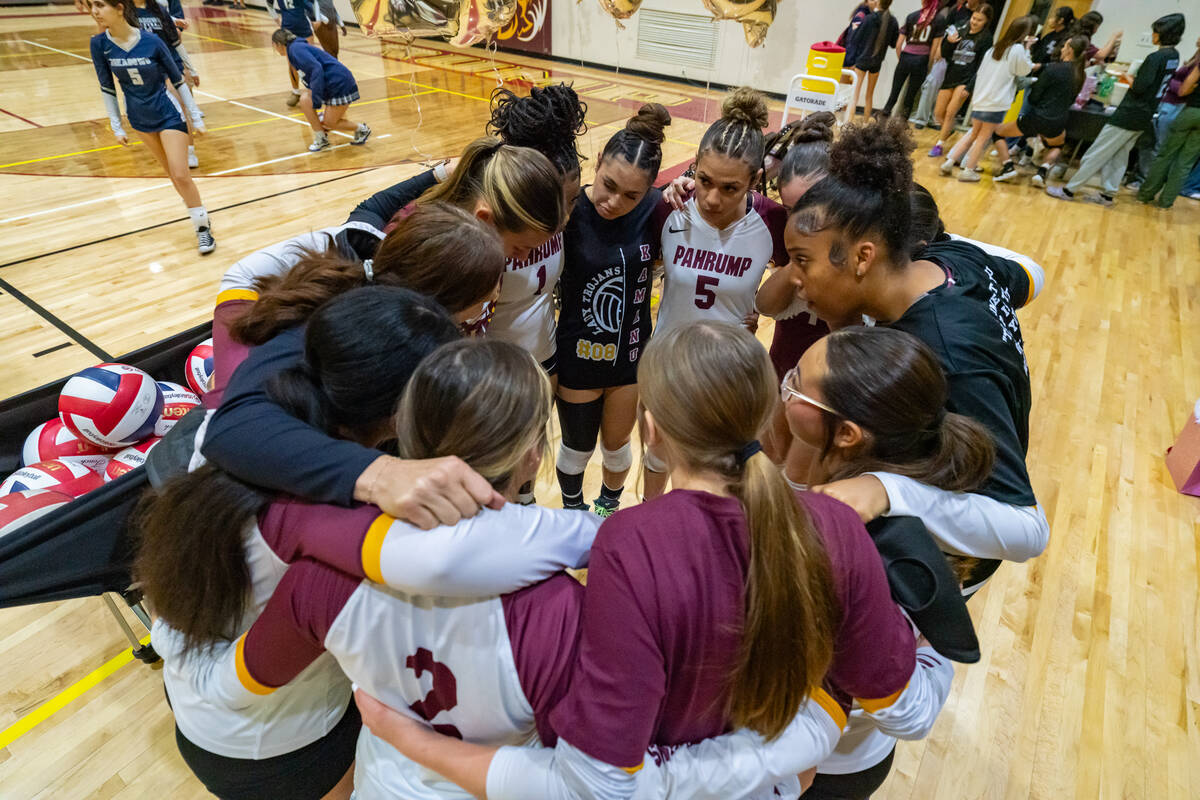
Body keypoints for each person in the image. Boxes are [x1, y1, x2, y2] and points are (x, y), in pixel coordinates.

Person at [346, 321, 954, 800]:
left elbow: (602, 783)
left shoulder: (630, 542)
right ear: (763, 417)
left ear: (651, 429)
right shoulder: (836, 530)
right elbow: (913, 711)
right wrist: (910, 649)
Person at [139, 289, 601, 800]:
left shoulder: (242, 430)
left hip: (238, 708)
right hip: (270, 741)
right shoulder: (342, 536)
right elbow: (444, 557)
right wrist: (611, 537)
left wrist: (177, 649)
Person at [786, 118, 1049, 587]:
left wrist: (886, 490)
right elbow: (1032, 272)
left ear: (864, 258)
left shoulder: (948, 355)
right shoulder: (953, 261)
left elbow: (1027, 529)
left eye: (803, 260)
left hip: (945, 562)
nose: (793, 278)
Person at [783, 326, 998, 798]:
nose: (788, 383)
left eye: (798, 383)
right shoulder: (899, 482)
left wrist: (934, 643)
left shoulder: (861, 559)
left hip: (822, 772)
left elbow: (913, 712)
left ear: (846, 435)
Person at [202, 203, 510, 526]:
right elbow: (231, 427)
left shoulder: (385, 309)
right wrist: (380, 474)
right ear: (435, 306)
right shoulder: (331, 326)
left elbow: (379, 201)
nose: (494, 297)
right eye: (485, 299)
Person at [554, 104, 670, 516]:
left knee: (618, 448)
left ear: (649, 190)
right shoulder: (569, 210)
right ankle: (573, 511)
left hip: (629, 358)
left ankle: (606, 508)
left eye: (631, 195)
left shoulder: (659, 209)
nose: (614, 201)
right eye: (608, 185)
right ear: (599, 160)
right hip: (577, 352)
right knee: (576, 448)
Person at [89, 0, 213, 254]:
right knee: (172, 175)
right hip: (138, 118)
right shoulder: (99, 44)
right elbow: (106, 87)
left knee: (181, 174)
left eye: (100, 5)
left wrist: (196, 116)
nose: (94, 12)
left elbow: (178, 81)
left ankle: (202, 228)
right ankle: (199, 215)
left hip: (167, 113)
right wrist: (116, 125)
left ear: (120, 8)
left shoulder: (151, 41)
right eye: (92, 5)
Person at [484, 84, 587, 383]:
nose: (565, 217)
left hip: (546, 360)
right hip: (495, 371)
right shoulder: (486, 228)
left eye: (573, 199)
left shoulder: (568, 219)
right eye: (556, 204)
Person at [752, 113, 834, 483]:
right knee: (768, 465)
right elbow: (766, 305)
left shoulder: (857, 242)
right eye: (790, 209)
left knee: (808, 481)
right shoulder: (778, 226)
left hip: (833, 383)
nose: (797, 219)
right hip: (782, 367)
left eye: (808, 208)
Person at [1047, 14, 1183, 206]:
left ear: (1163, 34)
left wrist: (1127, 76)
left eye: (1156, 31)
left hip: (1130, 113)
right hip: (1146, 113)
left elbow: (1140, 86)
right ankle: (1108, 194)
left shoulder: (1156, 57)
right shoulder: (1174, 56)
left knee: (1097, 151)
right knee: (1120, 155)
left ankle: (1070, 190)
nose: (1153, 35)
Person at [413, 136, 566, 261]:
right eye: (519, 248)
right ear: (483, 219)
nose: (524, 259)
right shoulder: (438, 264)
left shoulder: (474, 248)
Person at [939, 14, 1036, 182]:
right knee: (983, 137)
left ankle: (949, 161)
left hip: (981, 99)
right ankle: (968, 170)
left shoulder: (995, 48)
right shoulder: (1017, 49)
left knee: (973, 134)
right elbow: (1024, 70)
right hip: (996, 102)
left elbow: (981, 73)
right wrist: (1028, 49)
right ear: (1024, 33)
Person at [991, 34, 1087, 184]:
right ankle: (1041, 172)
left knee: (998, 133)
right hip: (1058, 120)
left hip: (1038, 117)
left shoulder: (1053, 69)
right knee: (1057, 145)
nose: (1062, 49)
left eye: (1064, 46)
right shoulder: (1080, 74)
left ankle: (1008, 167)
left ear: (1069, 50)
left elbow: (1034, 97)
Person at [271, 29, 369, 152]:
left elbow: (316, 69)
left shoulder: (296, 49)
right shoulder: (294, 49)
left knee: (329, 123)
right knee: (305, 99)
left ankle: (362, 129)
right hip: (330, 85)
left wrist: (317, 101)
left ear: (278, 44)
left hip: (339, 84)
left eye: (274, 46)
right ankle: (321, 138)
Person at [131, 0, 200, 164]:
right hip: (145, 69)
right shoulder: (125, 12)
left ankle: (189, 151)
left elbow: (177, 42)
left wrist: (191, 68)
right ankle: (169, 147)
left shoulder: (159, 10)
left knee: (179, 108)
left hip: (168, 66)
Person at [927, 3, 993, 158]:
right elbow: (944, 54)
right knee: (938, 113)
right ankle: (949, 131)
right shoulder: (960, 29)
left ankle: (939, 145)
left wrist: (969, 88)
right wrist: (949, 42)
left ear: (986, 22)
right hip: (951, 75)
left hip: (966, 79)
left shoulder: (986, 39)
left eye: (979, 20)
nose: (974, 22)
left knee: (951, 112)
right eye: (974, 18)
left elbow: (982, 67)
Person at [1133, 35, 1200, 187]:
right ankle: (1142, 178)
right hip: (1167, 103)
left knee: (1160, 146)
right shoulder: (1195, 57)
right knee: (1149, 142)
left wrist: (1169, 81)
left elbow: (1185, 90)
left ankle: (1147, 182)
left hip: (1175, 106)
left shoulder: (1197, 63)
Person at [1138, 60, 1200, 208]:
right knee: (1185, 163)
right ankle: (1165, 203)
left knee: (1165, 155)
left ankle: (1145, 194)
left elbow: (1183, 90)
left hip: (1192, 111)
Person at [881, 0, 945, 121]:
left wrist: (902, 58)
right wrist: (928, 64)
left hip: (906, 57)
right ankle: (902, 126)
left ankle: (883, 118)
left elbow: (899, 44)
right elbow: (935, 47)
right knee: (910, 96)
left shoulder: (912, 16)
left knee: (894, 93)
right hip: (922, 59)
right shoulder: (939, 19)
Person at [851, 0, 899, 119]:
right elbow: (894, 44)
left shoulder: (868, 19)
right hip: (877, 63)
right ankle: (866, 122)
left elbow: (856, 38)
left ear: (878, 3)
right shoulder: (893, 21)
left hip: (862, 60)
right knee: (869, 95)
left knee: (855, 94)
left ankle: (848, 122)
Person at [271, 0, 318, 107]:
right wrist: (276, 19)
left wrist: (317, 19)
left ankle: (314, 91)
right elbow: (269, 4)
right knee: (291, 63)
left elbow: (314, 3)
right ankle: (295, 92)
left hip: (304, 27)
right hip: (287, 29)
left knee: (310, 61)